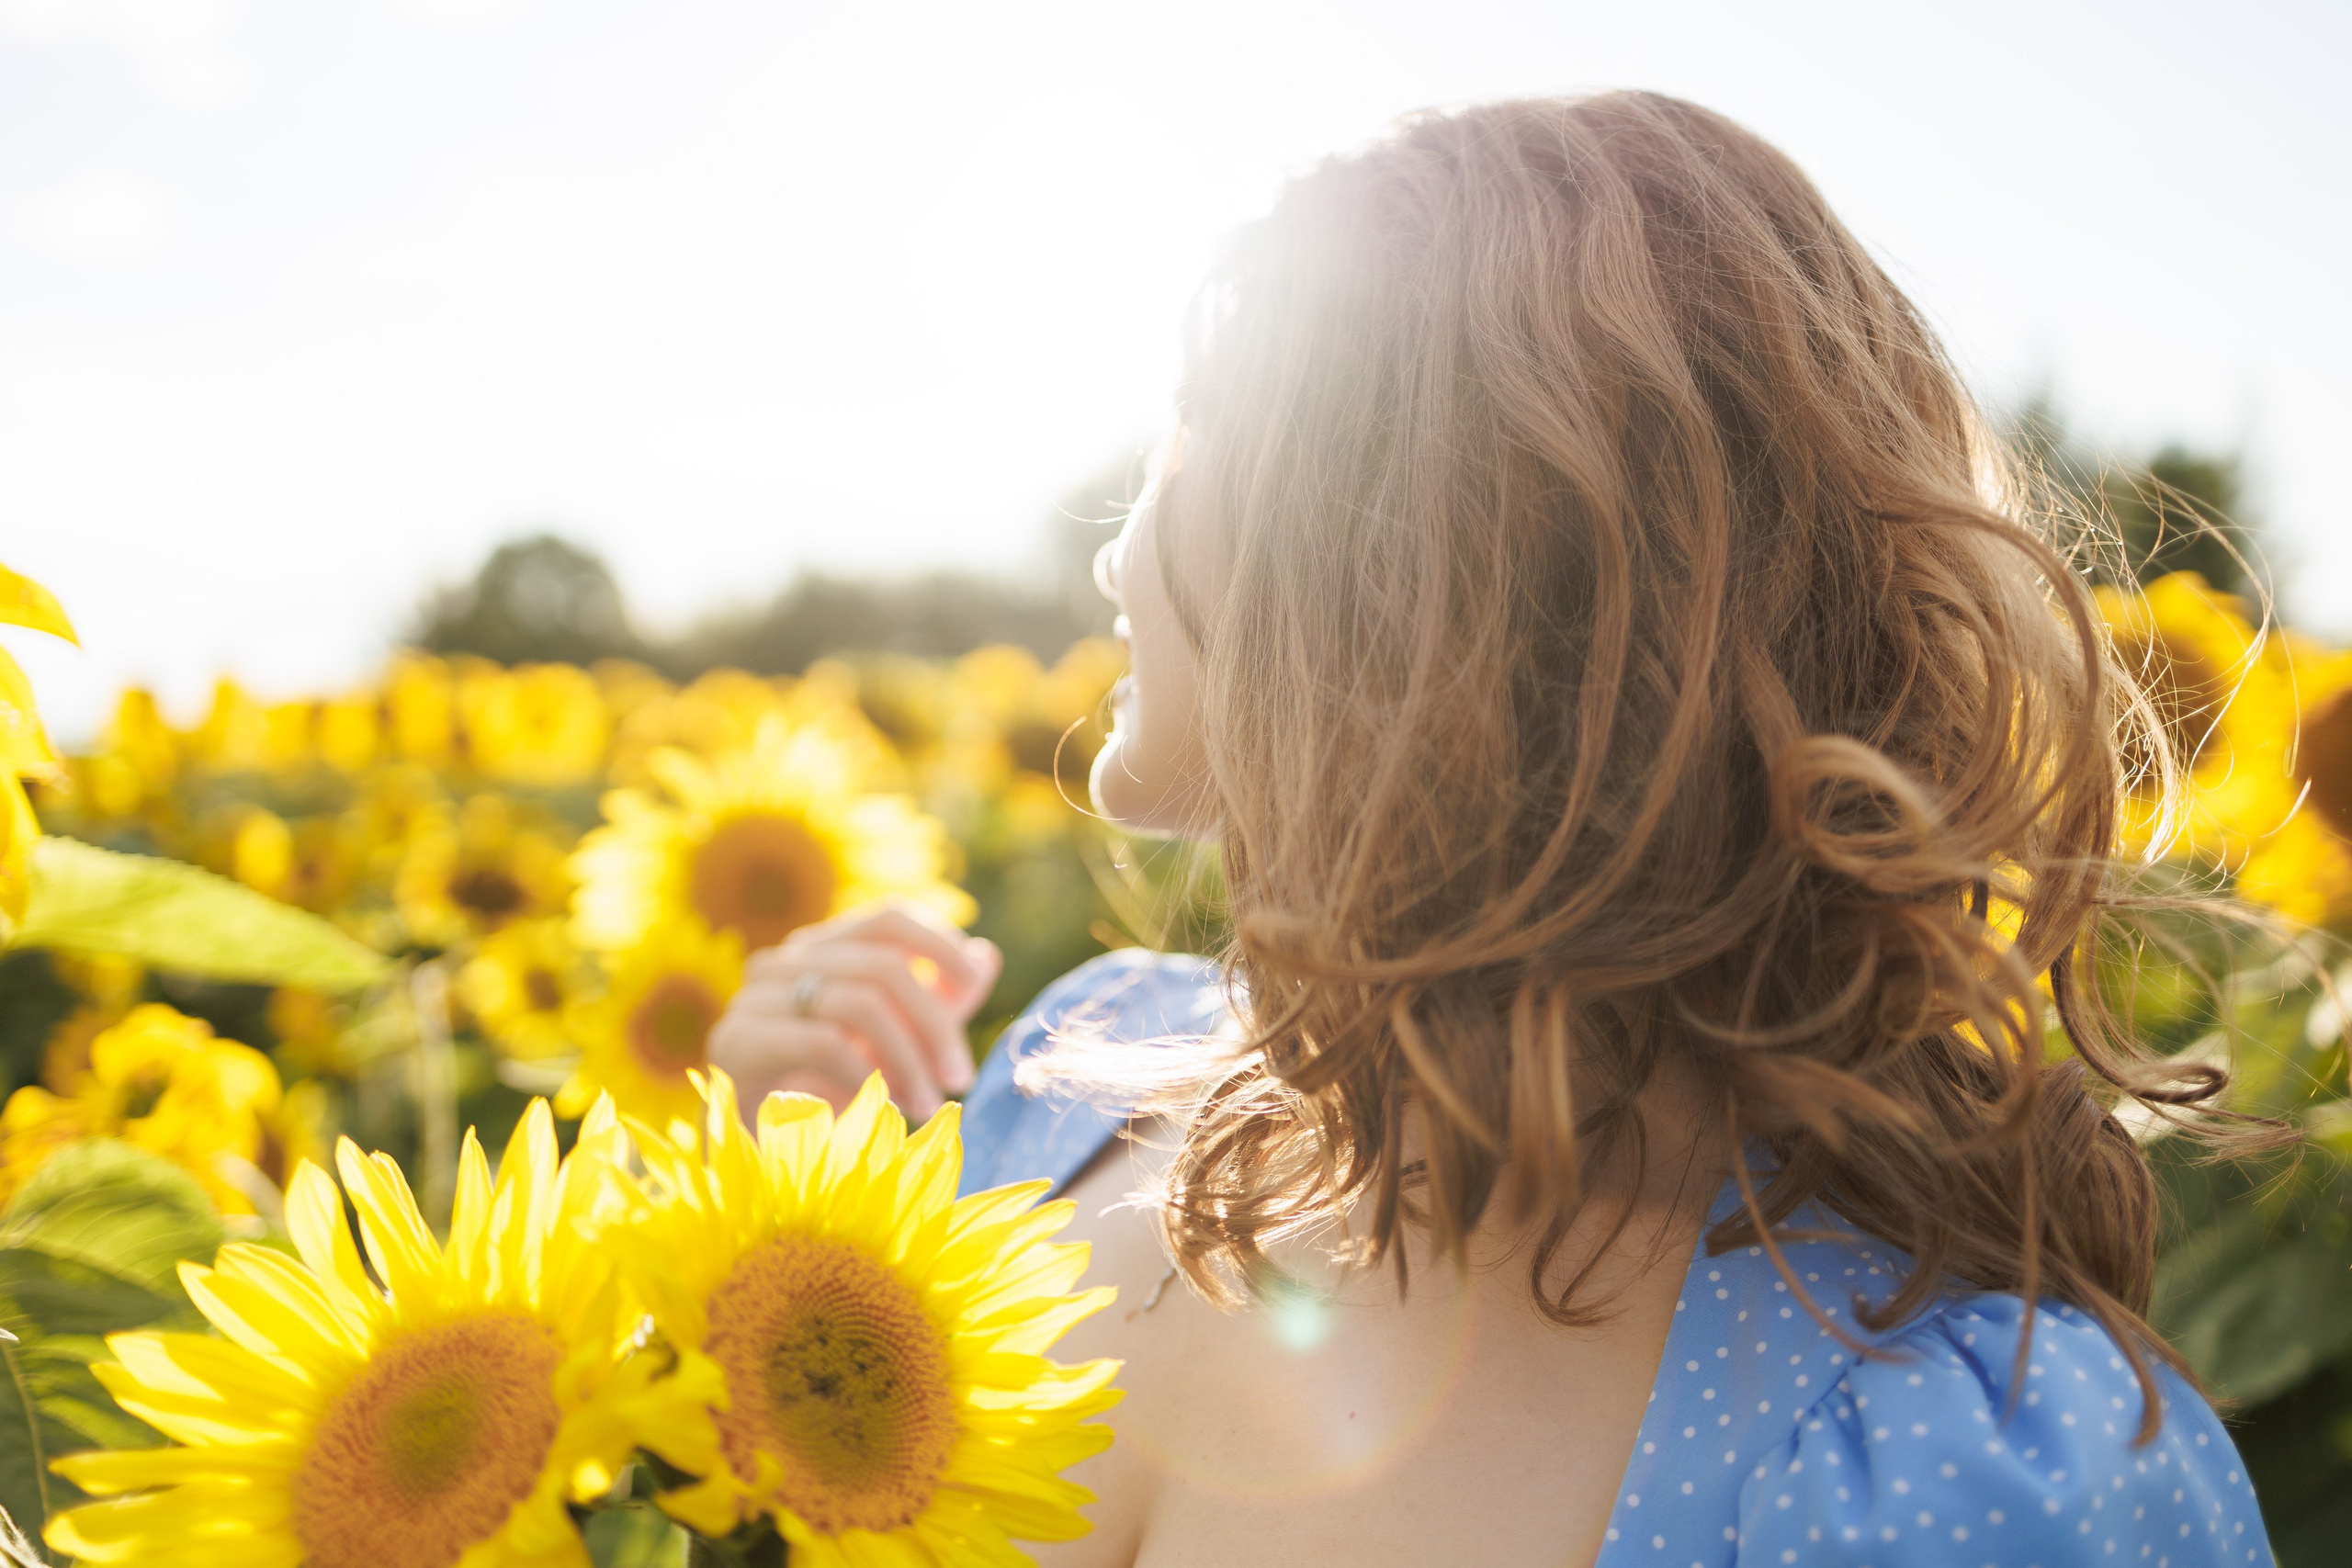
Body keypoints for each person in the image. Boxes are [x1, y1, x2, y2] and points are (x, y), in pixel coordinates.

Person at [710, 92, 2276, 1568]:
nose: (1118, 553)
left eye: (1186, 438)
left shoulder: (1955, 1472)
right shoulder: (1073, 1089)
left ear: (1375, 551)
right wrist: (765, 1216)